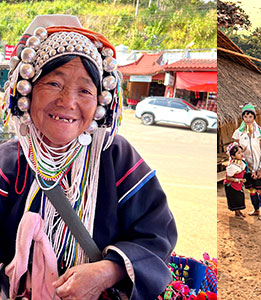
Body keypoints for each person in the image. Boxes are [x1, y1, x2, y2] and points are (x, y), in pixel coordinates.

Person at [0, 15, 176, 299]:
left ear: (99, 103)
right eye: (54, 84)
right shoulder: (8, 164)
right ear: (28, 90)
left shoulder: (117, 158)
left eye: (84, 90)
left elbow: (156, 235)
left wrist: (109, 271)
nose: (68, 102)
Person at [231, 103, 261, 220]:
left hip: (260, 166)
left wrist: (259, 168)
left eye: (250, 117)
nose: (248, 119)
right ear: (242, 117)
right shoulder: (238, 133)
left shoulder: (260, 133)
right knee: (252, 190)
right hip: (246, 167)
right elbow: (235, 151)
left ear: (254, 118)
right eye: (245, 117)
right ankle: (256, 209)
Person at [224, 142, 247, 218]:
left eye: (241, 152)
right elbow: (228, 178)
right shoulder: (232, 166)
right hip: (231, 186)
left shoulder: (241, 163)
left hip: (238, 184)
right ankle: (237, 213)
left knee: (239, 197)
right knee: (235, 198)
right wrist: (237, 180)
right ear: (233, 156)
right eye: (239, 153)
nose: (241, 154)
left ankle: (239, 212)